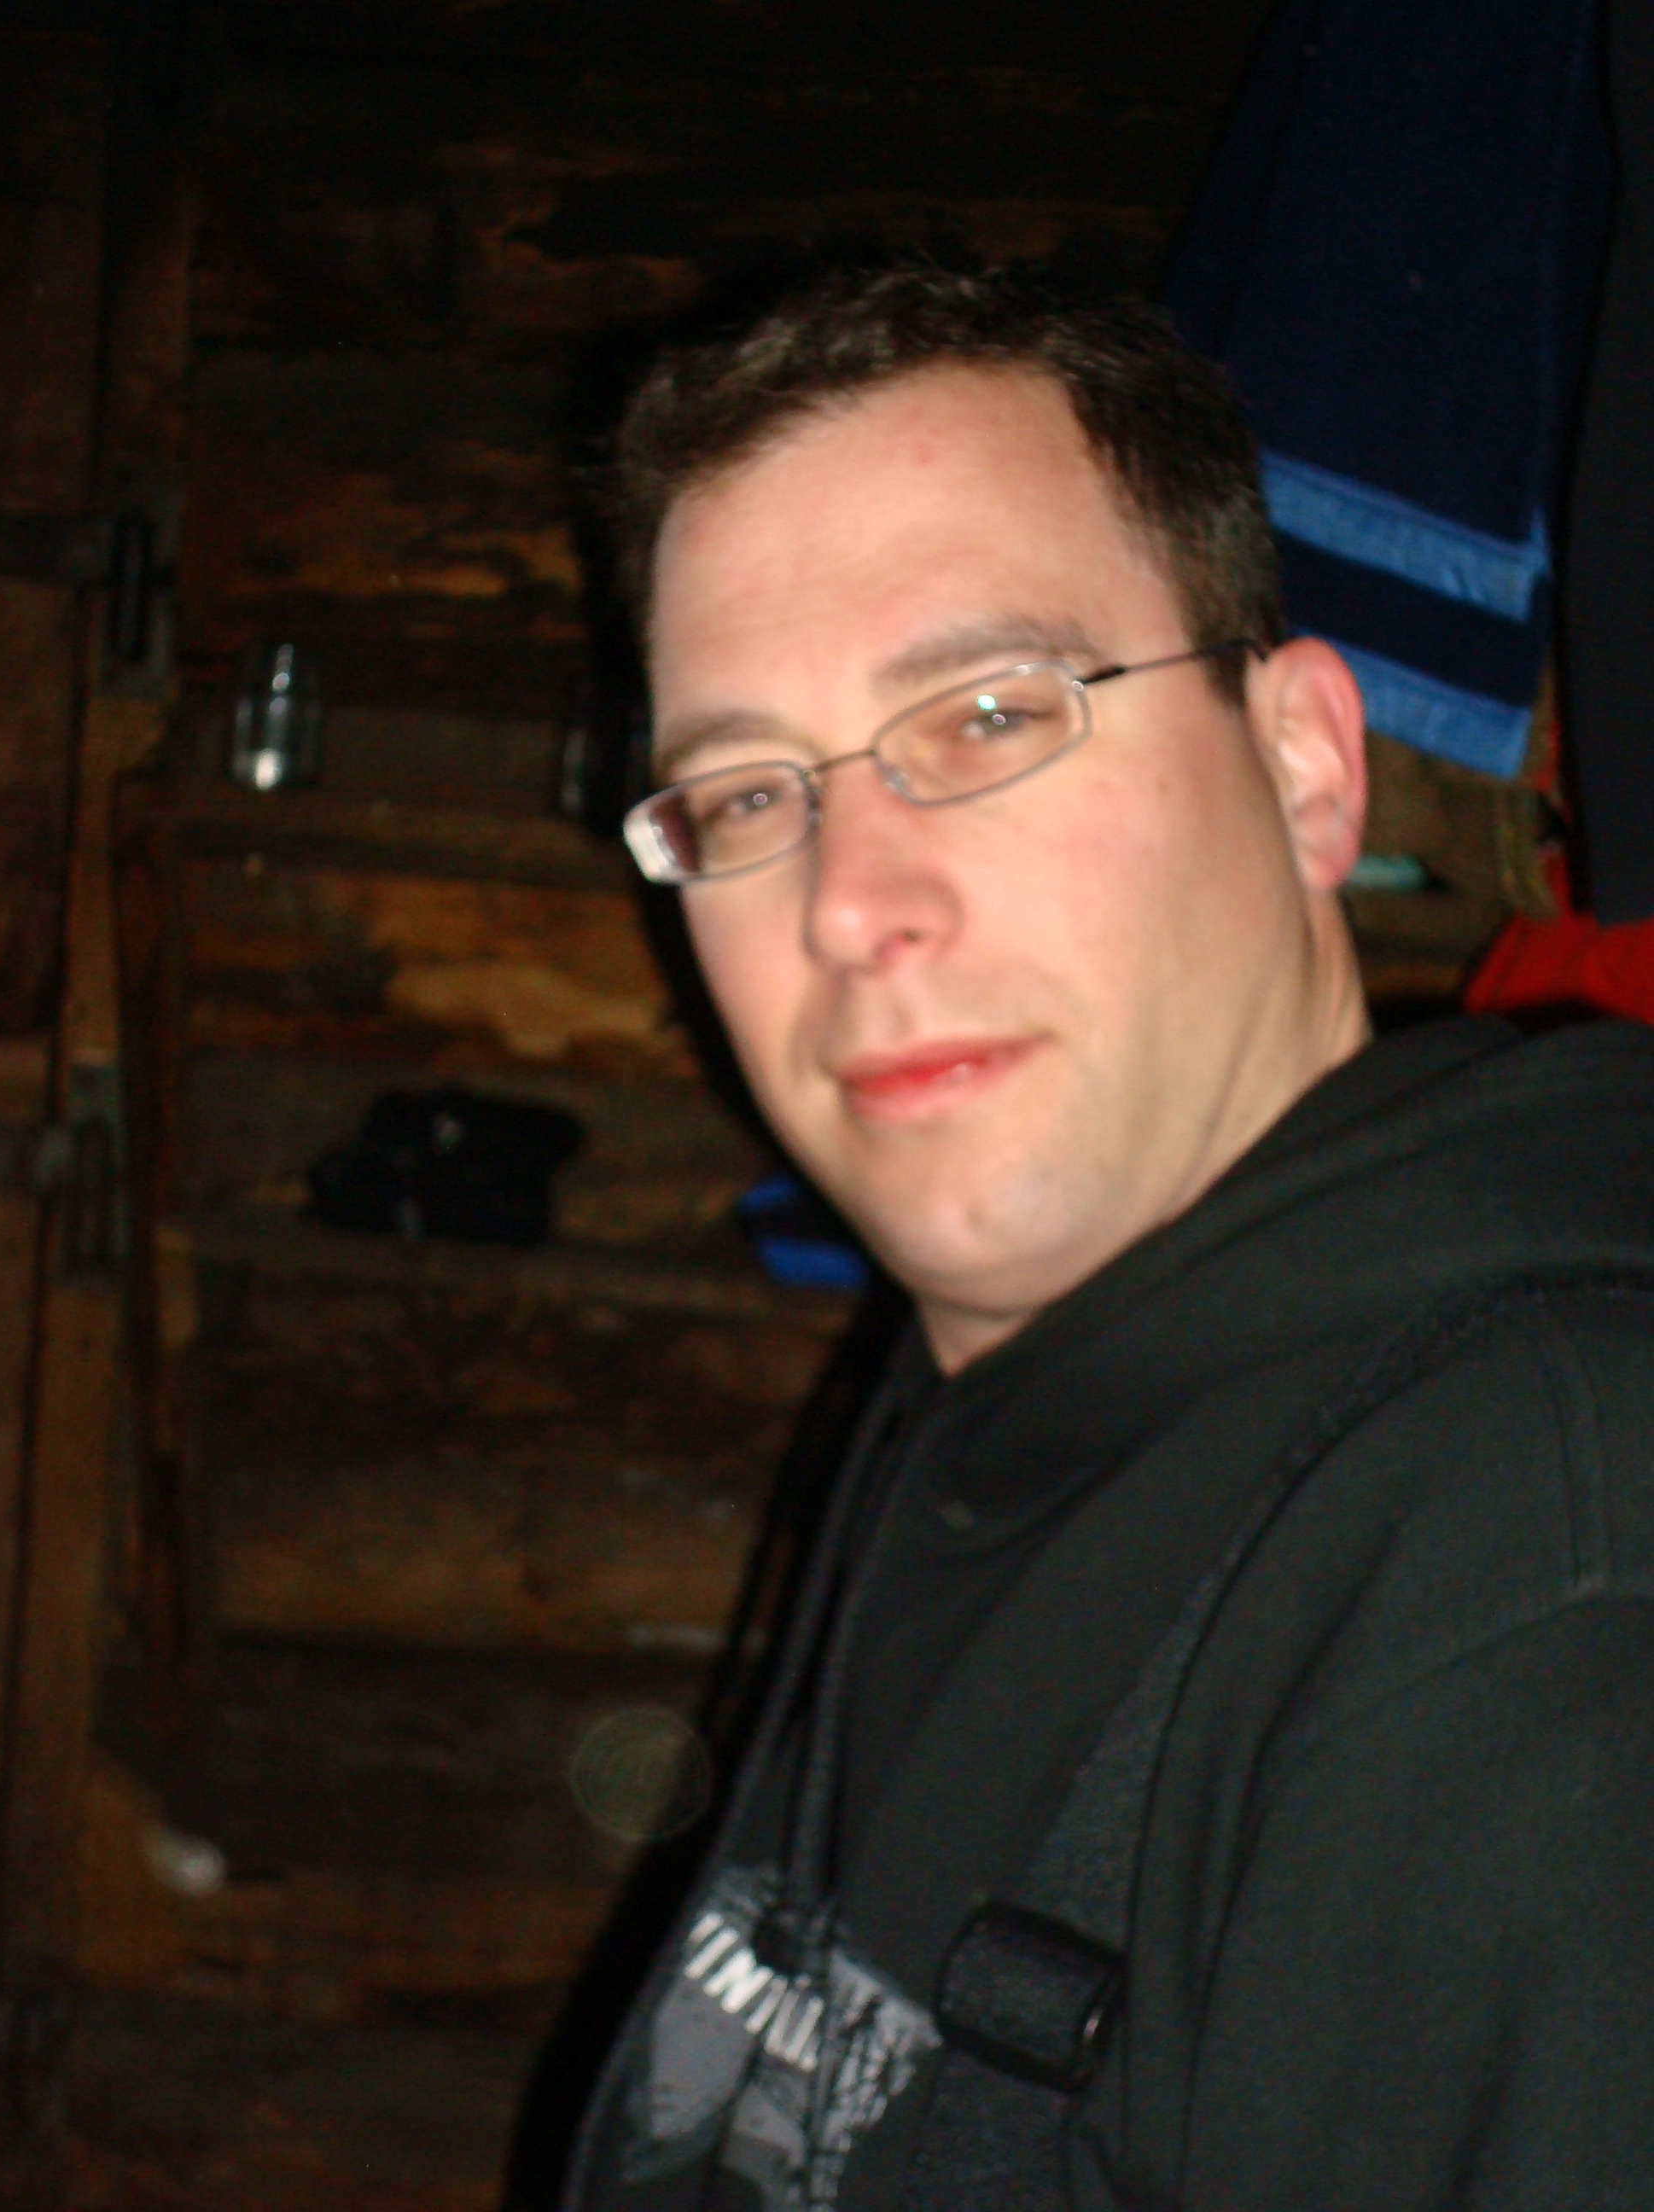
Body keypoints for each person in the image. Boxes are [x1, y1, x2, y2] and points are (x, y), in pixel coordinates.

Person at [557, 264, 1654, 2212]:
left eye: (989, 715)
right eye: (743, 793)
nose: (847, 904)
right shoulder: (997, 1384)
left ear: (1303, 768)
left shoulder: (1546, 1570)